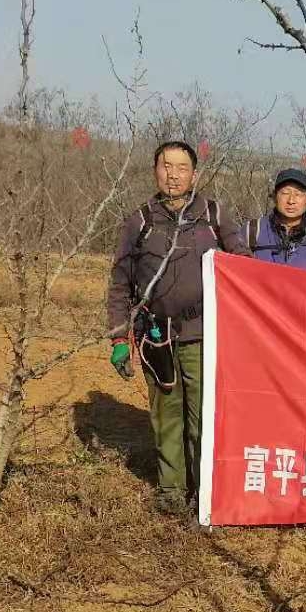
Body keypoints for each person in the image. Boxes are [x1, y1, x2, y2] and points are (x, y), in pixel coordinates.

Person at [106, 140, 250, 517]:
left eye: (181, 167)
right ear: (155, 170)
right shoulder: (139, 222)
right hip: (157, 336)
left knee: (203, 416)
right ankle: (171, 491)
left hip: (205, 334)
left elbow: (244, 269)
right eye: (166, 166)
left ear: (194, 174)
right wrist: (120, 337)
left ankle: (204, 491)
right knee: (166, 415)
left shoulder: (215, 216)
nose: (173, 174)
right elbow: (120, 283)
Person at [245, 168, 306, 273]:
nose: (291, 201)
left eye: (298, 194)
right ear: (274, 196)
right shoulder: (251, 232)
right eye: (285, 193)